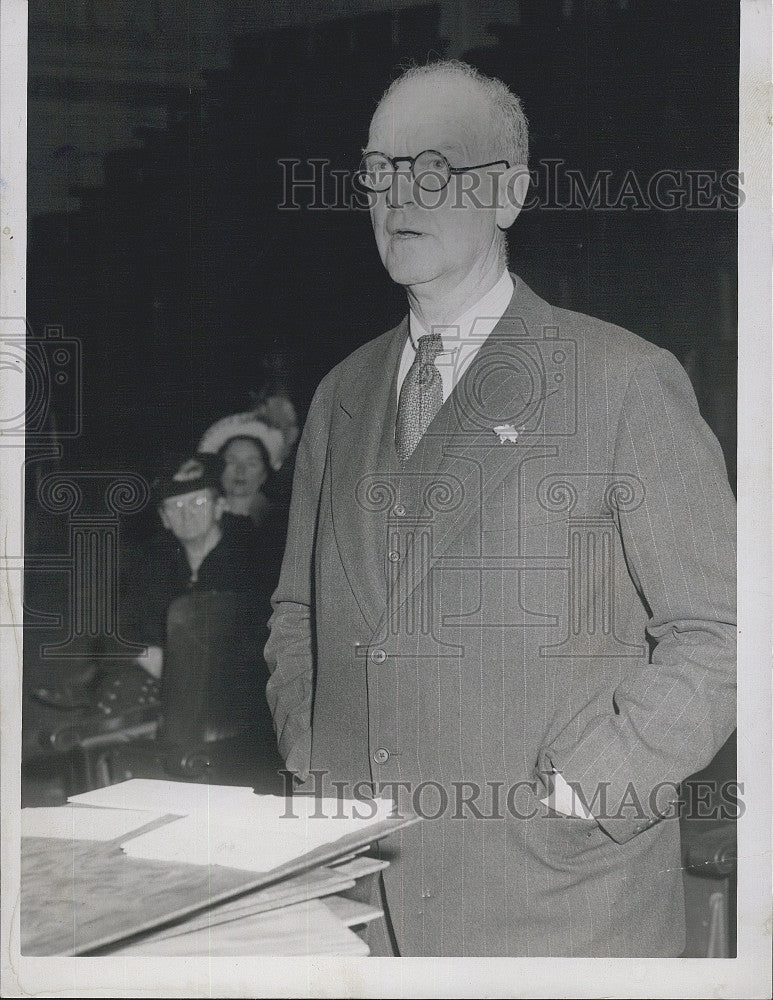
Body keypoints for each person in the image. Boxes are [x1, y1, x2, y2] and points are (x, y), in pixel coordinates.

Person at [264, 60, 736, 957]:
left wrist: (595, 785)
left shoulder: (621, 382)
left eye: (434, 168)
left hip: (558, 902)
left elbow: (725, 628)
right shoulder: (341, 394)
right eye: (379, 169)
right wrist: (310, 751)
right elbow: (298, 614)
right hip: (358, 899)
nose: (399, 193)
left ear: (508, 194)